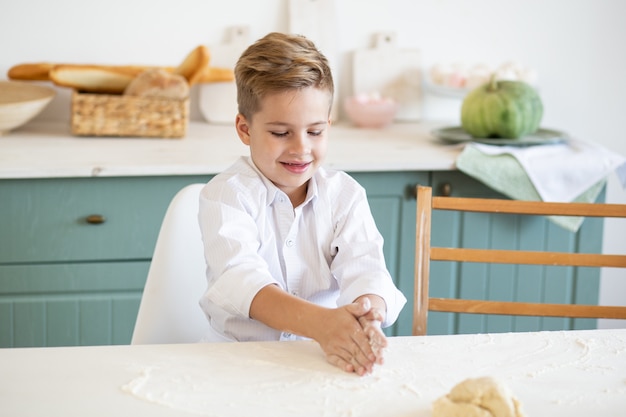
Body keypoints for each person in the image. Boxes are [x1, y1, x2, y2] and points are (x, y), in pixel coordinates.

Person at [198, 32, 406, 376]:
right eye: (281, 133)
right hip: (235, 364)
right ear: (244, 128)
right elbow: (242, 281)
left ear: (329, 125)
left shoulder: (345, 196)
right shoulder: (226, 195)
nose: (301, 148)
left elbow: (367, 269)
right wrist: (323, 325)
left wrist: (367, 316)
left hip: (322, 358)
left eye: (315, 131)